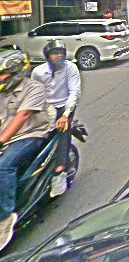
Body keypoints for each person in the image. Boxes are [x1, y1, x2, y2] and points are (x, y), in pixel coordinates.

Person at [0, 49, 49, 250]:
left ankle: (5, 217)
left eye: (3, 74)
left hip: (29, 135)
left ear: (17, 73)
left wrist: (1, 140)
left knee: (4, 167)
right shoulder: (2, 91)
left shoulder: (34, 88)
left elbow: (23, 116)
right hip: (5, 136)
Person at [31, 40, 81, 198]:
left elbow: (74, 92)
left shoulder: (70, 68)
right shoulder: (38, 72)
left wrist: (65, 115)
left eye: (61, 53)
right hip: (45, 107)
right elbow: (34, 93)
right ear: (47, 56)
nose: (58, 56)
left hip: (64, 106)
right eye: (54, 53)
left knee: (63, 131)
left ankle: (60, 171)